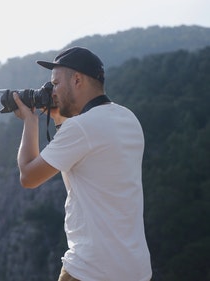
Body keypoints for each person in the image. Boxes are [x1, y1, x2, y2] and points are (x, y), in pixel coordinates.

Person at [12, 46, 152, 281]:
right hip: (135, 269)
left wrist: (30, 121)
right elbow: (83, 171)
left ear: (77, 80)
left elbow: (28, 176)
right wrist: (58, 121)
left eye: (55, 84)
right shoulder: (127, 117)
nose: (51, 92)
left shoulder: (81, 128)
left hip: (91, 271)